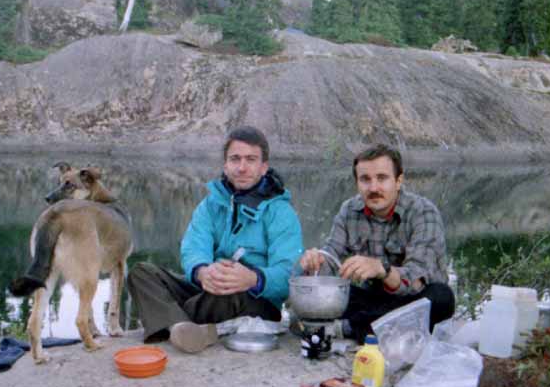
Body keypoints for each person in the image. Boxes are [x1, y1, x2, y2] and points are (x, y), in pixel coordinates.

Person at [127, 126, 303, 353]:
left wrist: (253, 278)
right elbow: (193, 247)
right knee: (142, 273)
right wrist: (202, 272)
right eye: (235, 159)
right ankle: (182, 328)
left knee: (227, 293)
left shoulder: (281, 212)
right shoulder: (210, 205)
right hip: (209, 288)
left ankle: (172, 320)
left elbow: (290, 274)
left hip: (252, 298)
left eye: (251, 159)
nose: (242, 167)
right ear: (225, 165)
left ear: (263, 167)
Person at [300, 144, 455, 343]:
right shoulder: (349, 210)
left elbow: (417, 281)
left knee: (442, 298)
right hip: (372, 300)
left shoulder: (423, 212)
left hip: (411, 300)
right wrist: (316, 262)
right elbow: (332, 257)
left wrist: (383, 271)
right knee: (333, 292)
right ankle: (374, 329)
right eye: (365, 179)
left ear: (398, 181)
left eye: (382, 178)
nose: (373, 188)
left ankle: (351, 327)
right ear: (357, 182)